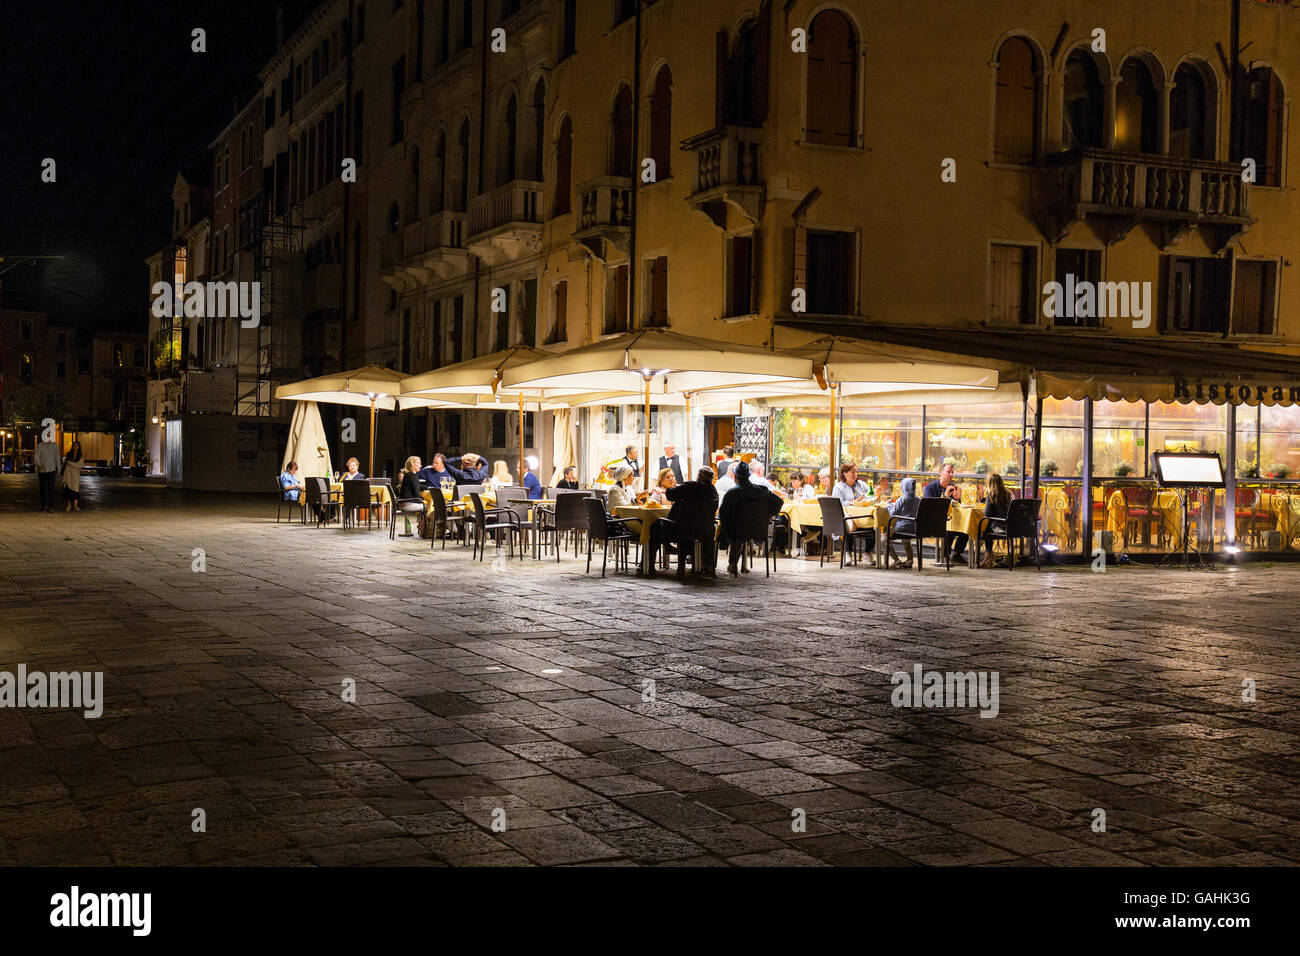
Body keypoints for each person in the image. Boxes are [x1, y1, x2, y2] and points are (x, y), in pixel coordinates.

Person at [648, 466, 719, 572]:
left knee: (655, 526)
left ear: (699, 476)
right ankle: (705, 563)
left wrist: (676, 490)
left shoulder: (690, 486)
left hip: (680, 530)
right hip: (705, 531)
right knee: (688, 528)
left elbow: (670, 494)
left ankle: (649, 564)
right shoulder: (713, 491)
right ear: (711, 479)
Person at [718, 462, 782, 576]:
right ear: (748, 475)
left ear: (736, 477)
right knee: (738, 526)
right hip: (758, 529)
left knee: (731, 526)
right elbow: (779, 501)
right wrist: (769, 516)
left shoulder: (732, 493)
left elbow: (723, 513)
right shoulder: (762, 490)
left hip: (737, 531)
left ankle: (731, 563)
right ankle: (736, 563)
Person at [924, 462, 968, 561]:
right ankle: (944, 555)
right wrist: (946, 496)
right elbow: (929, 507)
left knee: (966, 528)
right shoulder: (930, 488)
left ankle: (957, 554)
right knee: (949, 530)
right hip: (934, 520)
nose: (951, 474)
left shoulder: (953, 487)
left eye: (952, 472)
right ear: (940, 473)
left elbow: (958, 506)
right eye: (948, 472)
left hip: (952, 519)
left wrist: (958, 499)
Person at [980, 472, 1012, 568]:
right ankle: (989, 556)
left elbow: (987, 514)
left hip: (1000, 527)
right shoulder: (1007, 493)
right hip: (1009, 526)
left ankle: (988, 556)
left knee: (984, 529)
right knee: (988, 527)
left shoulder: (991, 494)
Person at [886, 477, 920, 569]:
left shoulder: (902, 499)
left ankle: (896, 560)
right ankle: (909, 560)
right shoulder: (918, 500)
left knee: (883, 539)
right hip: (915, 529)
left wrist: (888, 504)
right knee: (906, 540)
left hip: (903, 528)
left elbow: (893, 514)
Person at [35, 432, 60, 512]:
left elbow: (57, 457)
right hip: (42, 470)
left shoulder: (54, 445)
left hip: (51, 470)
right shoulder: (40, 445)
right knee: (42, 489)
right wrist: (39, 464)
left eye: (49, 435)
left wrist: (59, 468)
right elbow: (37, 456)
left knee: (51, 488)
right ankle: (43, 506)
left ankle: (51, 506)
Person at [61, 441, 85, 512]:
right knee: (68, 490)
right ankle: (69, 505)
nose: (75, 447)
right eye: (74, 445)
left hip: (75, 474)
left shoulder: (80, 456)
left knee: (75, 490)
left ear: (79, 447)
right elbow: (65, 463)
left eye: (77, 445)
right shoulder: (69, 454)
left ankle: (75, 505)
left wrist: (70, 463)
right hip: (68, 474)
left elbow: (80, 465)